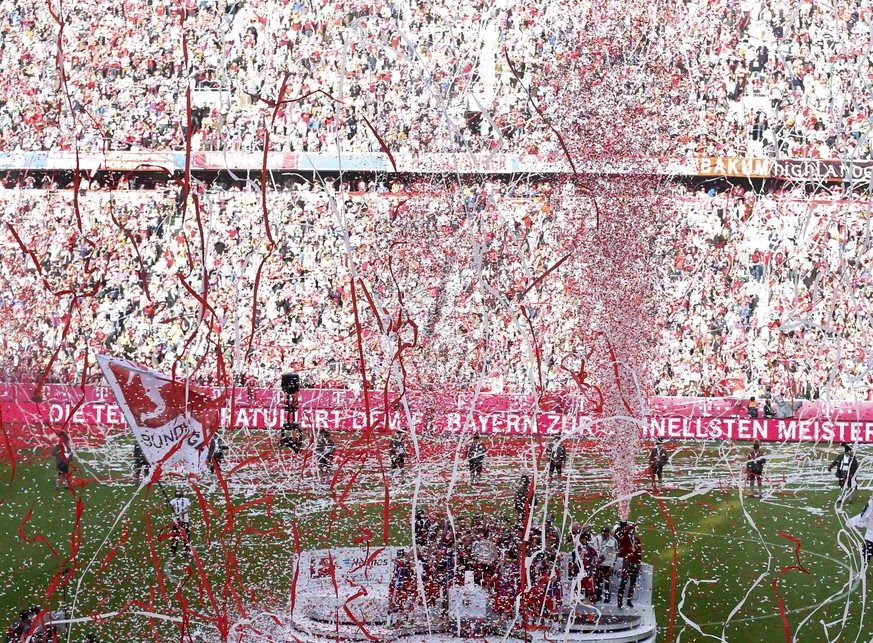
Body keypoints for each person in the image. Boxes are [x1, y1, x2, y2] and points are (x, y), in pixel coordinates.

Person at [616, 523, 642, 609]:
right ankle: (619, 601)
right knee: (624, 581)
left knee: (633, 582)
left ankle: (629, 600)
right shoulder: (624, 539)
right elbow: (625, 533)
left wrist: (639, 563)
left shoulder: (637, 539)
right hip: (627, 562)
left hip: (635, 563)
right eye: (631, 530)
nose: (632, 531)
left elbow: (639, 552)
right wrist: (634, 524)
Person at [591, 526, 618, 603]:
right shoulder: (597, 538)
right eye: (603, 534)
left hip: (607, 564)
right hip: (598, 563)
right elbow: (592, 549)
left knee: (607, 581)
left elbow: (615, 554)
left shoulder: (613, 541)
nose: (604, 535)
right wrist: (595, 559)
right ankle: (598, 596)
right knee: (598, 581)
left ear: (608, 533)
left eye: (605, 534)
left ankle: (607, 597)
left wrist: (613, 565)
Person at [848, 496, 873, 567]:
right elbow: (863, 516)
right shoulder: (870, 503)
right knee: (865, 557)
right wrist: (852, 521)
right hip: (870, 535)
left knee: (866, 555)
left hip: (870, 535)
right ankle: (862, 573)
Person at [169, 489, 191, 556]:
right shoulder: (173, 500)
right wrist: (167, 503)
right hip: (176, 521)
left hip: (185, 520)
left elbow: (187, 508)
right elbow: (170, 505)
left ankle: (187, 550)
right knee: (175, 536)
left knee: (186, 536)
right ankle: (173, 550)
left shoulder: (186, 500)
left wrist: (183, 513)